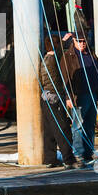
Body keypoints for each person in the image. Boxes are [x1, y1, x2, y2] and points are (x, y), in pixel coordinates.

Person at [40, 34, 79, 168]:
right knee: (62, 129)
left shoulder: (44, 58)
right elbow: (58, 52)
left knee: (49, 130)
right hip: (55, 98)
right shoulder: (52, 58)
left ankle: (50, 159)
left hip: (45, 98)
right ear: (56, 46)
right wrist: (65, 40)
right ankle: (69, 160)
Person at [68, 33, 98, 164]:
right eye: (79, 41)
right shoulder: (69, 56)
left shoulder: (91, 54)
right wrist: (68, 97)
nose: (82, 43)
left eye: (84, 41)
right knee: (77, 125)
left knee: (90, 124)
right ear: (73, 41)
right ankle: (78, 153)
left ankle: (89, 152)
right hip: (79, 95)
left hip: (93, 93)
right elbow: (65, 77)